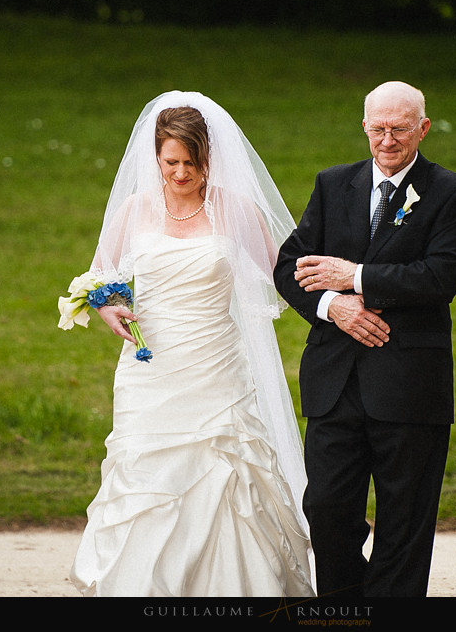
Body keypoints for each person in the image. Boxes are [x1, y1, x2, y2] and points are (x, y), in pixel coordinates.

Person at [68, 92, 314, 598]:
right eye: (170, 163)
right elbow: (99, 276)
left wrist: (341, 297)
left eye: (191, 163)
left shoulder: (235, 209)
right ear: (156, 159)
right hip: (150, 369)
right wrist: (107, 305)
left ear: (209, 158)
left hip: (217, 367)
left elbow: (285, 273)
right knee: (146, 477)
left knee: (225, 476)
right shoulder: (136, 209)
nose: (180, 174)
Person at [273, 81, 456, 598]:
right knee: (326, 509)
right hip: (334, 381)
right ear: (363, 126)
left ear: (423, 129)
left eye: (400, 129)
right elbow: (287, 267)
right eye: (378, 128)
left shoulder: (451, 193)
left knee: (405, 523)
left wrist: (355, 276)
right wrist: (331, 307)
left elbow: (439, 278)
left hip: (410, 385)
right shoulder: (332, 184)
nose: (388, 140)